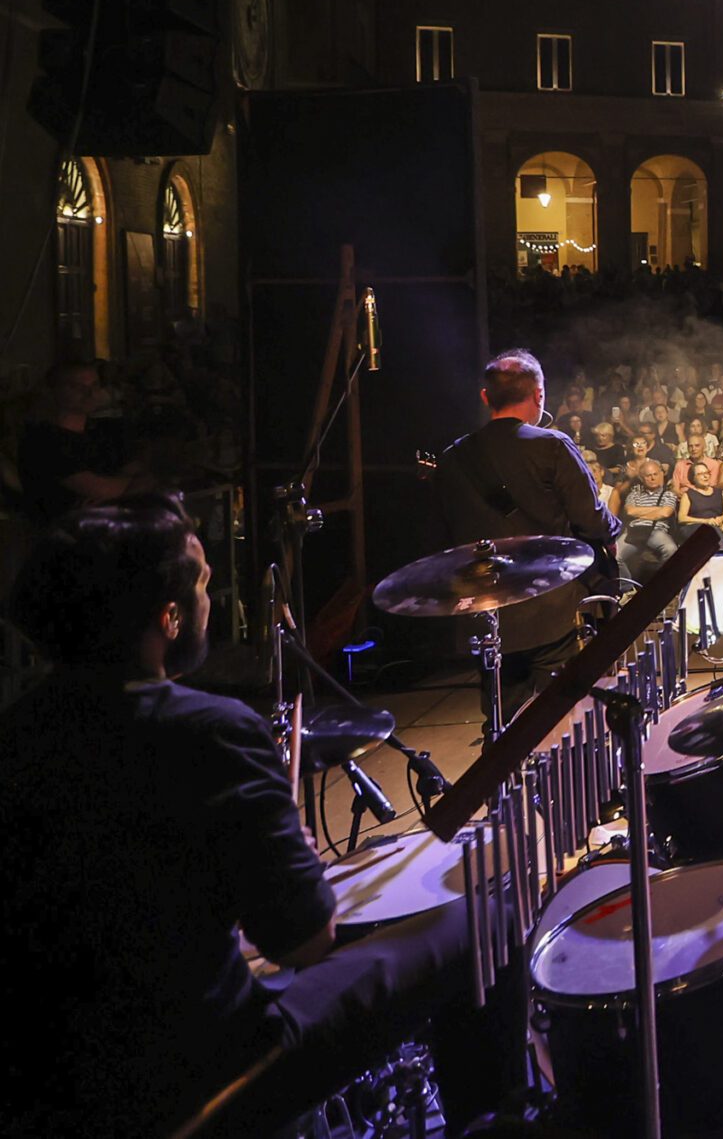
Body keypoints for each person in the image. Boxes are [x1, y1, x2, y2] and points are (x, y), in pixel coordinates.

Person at [0, 498, 510, 1136]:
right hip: (201, 1075)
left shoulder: (16, 735)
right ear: (168, 616)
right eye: (202, 584)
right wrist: (292, 849)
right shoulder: (208, 731)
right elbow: (303, 939)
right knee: (487, 919)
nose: (209, 601)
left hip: (45, 1088)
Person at [434, 349, 618, 549]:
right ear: (539, 395)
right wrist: (612, 529)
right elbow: (590, 521)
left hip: (476, 568)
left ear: (485, 397)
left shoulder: (451, 456)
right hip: (547, 566)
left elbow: (439, 534)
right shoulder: (553, 445)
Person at [16, 360, 143, 525]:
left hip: (114, 522)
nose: (90, 393)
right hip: (64, 531)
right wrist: (131, 485)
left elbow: (144, 474)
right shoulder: (43, 441)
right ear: (54, 390)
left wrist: (123, 488)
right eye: (77, 387)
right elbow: (101, 489)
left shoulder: (104, 430)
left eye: (95, 385)